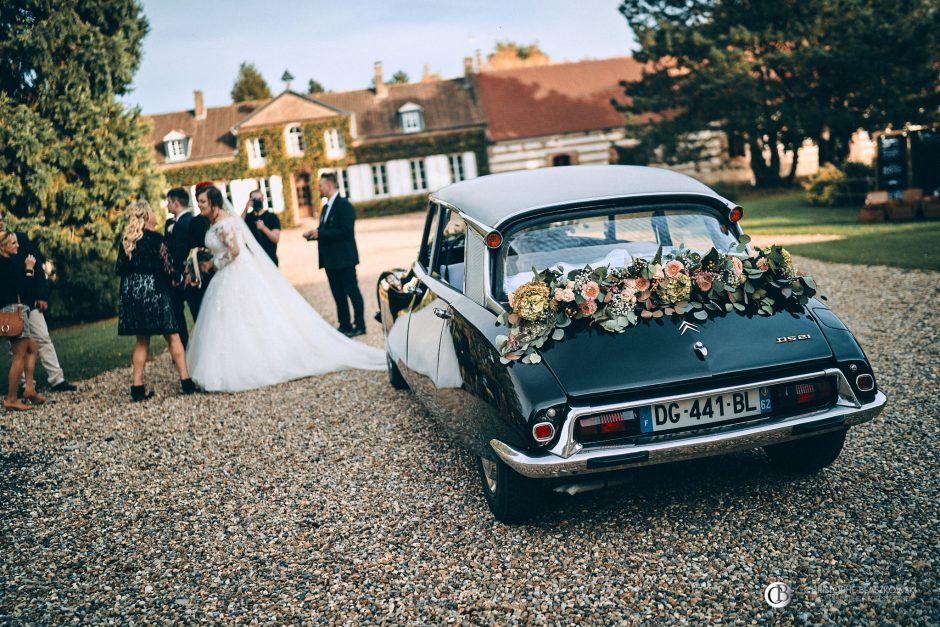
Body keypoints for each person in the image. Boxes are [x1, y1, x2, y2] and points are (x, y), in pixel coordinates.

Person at [185, 186, 385, 392]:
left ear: (214, 203)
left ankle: (253, 365)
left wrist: (213, 264)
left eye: (202, 202)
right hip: (231, 274)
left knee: (243, 318)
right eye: (198, 201)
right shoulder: (220, 220)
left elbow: (235, 250)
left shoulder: (223, 223)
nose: (199, 205)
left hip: (234, 273)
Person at [116, 201, 196, 401]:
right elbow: (167, 269)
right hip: (154, 291)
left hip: (132, 293)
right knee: (173, 335)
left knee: (142, 340)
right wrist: (180, 277)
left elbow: (120, 269)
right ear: (146, 216)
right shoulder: (156, 239)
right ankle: (186, 382)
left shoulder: (127, 240)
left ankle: (137, 387)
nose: (155, 213)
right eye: (151, 211)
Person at [0, 211, 77, 394]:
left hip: (29, 301)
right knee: (16, 348)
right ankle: (23, 387)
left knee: (42, 338)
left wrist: (42, 294)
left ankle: (57, 380)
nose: (0, 223)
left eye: (1, 219)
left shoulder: (20, 239)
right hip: (7, 307)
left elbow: (37, 265)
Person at [303, 173, 366, 337]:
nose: (318, 188)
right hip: (330, 261)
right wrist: (314, 234)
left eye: (320, 185)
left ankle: (360, 325)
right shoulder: (325, 207)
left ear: (330, 186)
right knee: (338, 295)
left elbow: (346, 231)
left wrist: (321, 234)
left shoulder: (344, 205)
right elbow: (325, 231)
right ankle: (344, 325)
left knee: (352, 292)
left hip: (344, 259)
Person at [0, 230, 45, 411]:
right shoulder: (5, 265)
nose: (18, 246)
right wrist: (28, 268)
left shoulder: (6, 263)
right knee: (19, 356)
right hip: (14, 311)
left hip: (14, 309)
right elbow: (23, 288)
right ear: (2, 247)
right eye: (13, 243)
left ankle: (29, 388)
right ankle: (11, 398)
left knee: (31, 347)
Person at [163, 187, 205, 346]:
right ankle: (185, 349)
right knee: (178, 314)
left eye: (168, 202)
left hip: (188, 278)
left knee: (195, 312)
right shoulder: (171, 223)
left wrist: (180, 274)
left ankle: (197, 348)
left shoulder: (190, 222)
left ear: (175, 203)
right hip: (176, 279)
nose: (167, 206)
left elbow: (187, 251)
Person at [243, 189, 281, 265]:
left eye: (259, 199)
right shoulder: (247, 217)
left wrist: (263, 228)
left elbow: (276, 239)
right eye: (254, 199)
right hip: (253, 260)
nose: (257, 201)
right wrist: (246, 208)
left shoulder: (272, 217)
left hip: (270, 258)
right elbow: (238, 226)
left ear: (263, 199)